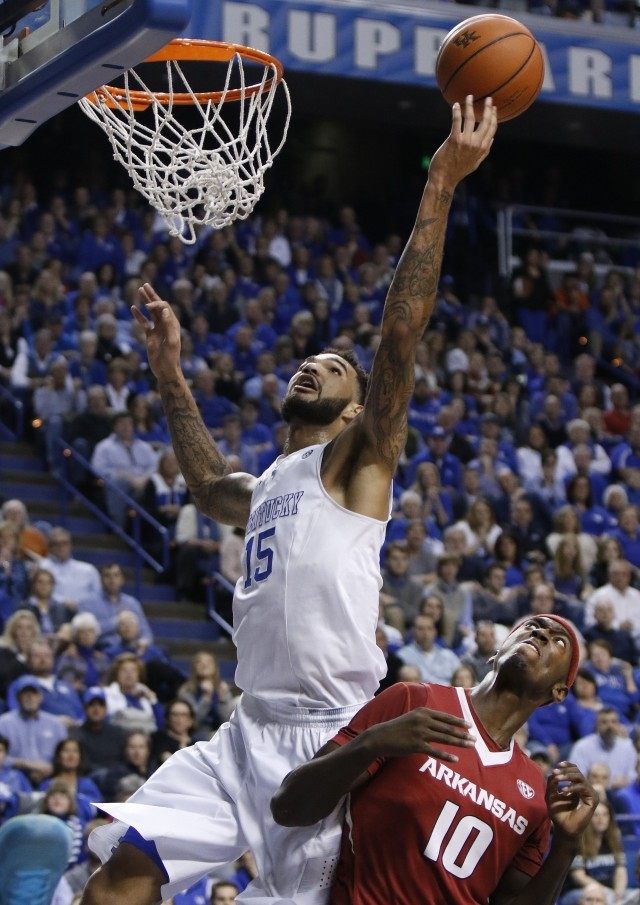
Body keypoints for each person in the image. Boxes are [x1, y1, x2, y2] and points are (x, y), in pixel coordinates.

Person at [83, 96, 499, 904]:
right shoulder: (269, 485)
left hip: (330, 730)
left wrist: (441, 182)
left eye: (335, 367)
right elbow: (208, 486)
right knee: (115, 880)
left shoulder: (358, 464)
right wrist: (170, 373)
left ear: (355, 409)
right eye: (307, 359)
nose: (314, 365)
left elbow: (400, 338)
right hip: (244, 728)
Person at [271, 614, 598, 905]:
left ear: (559, 691)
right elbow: (289, 808)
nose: (540, 634)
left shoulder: (534, 796)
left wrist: (567, 845)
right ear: (497, 652)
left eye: (557, 641)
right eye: (533, 626)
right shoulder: (415, 700)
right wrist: (371, 743)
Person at [569, 708, 637, 790]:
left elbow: (633, 777)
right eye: (604, 722)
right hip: (591, 793)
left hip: (620, 795)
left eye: (613, 722)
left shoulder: (628, 746)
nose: (610, 726)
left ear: (618, 724)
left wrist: (623, 782)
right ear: (597, 725)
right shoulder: (582, 746)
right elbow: (575, 779)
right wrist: (608, 785)